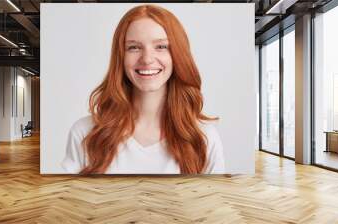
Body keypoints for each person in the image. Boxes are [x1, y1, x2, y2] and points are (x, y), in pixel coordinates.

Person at [62, 4, 225, 174]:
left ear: (178, 54)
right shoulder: (84, 132)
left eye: (161, 46)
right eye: (134, 47)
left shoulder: (204, 137)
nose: (147, 59)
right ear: (121, 57)